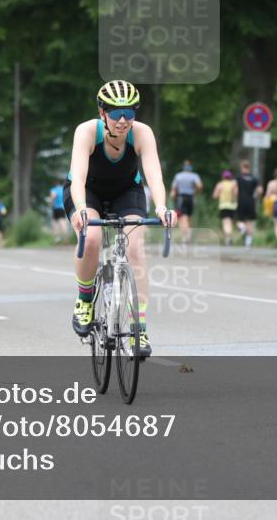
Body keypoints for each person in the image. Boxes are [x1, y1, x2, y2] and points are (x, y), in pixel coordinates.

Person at [66, 80, 172, 358]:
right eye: (115, 114)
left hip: (126, 191)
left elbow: (154, 175)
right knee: (92, 239)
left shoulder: (142, 133)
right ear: (103, 114)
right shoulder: (87, 131)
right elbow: (76, 177)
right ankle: (85, 299)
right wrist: (80, 209)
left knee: (135, 248)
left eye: (129, 113)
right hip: (87, 190)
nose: (123, 120)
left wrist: (161, 207)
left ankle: (139, 328)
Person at [170, 160, 203, 244]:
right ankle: (187, 235)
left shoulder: (179, 176)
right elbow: (200, 186)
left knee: (182, 218)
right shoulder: (194, 176)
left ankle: (186, 236)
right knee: (188, 217)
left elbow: (173, 189)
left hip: (181, 198)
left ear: (183, 167)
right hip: (191, 198)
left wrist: (173, 195)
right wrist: (195, 192)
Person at [235, 160, 262, 249]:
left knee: (239, 220)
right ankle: (248, 244)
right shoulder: (254, 178)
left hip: (241, 200)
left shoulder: (238, 177)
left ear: (242, 167)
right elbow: (260, 191)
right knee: (250, 222)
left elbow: (235, 189)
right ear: (249, 168)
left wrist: (235, 198)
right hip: (251, 201)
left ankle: (243, 228)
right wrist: (256, 197)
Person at [212, 170, 239, 246]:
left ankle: (228, 238)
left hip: (223, 205)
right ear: (230, 177)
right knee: (230, 222)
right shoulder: (233, 184)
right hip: (233, 205)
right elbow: (236, 194)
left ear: (223, 177)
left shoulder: (220, 185)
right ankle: (230, 237)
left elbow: (215, 196)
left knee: (226, 222)